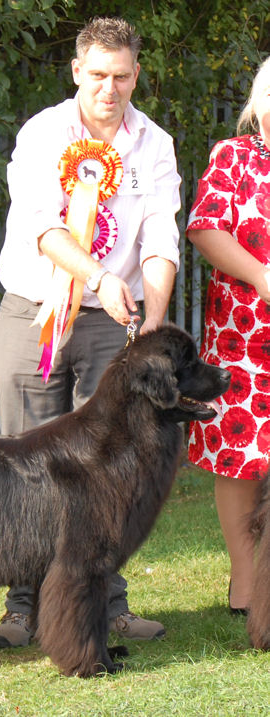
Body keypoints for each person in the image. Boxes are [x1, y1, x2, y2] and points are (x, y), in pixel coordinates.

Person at [0, 16, 181, 648]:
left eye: (122, 76)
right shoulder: (42, 133)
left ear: (136, 74)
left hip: (111, 325)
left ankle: (109, 605)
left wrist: (153, 316)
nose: (110, 88)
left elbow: (160, 236)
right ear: (76, 71)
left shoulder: (153, 142)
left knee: (111, 469)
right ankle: (24, 608)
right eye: (97, 75)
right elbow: (43, 228)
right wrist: (99, 276)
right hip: (33, 313)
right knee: (23, 465)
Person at [186, 56, 270, 615]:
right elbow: (205, 227)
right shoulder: (233, 157)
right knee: (240, 462)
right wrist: (262, 275)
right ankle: (246, 584)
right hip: (244, 339)